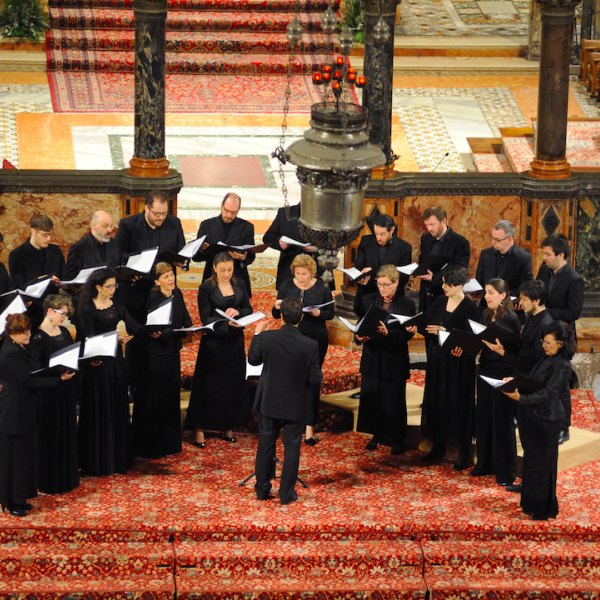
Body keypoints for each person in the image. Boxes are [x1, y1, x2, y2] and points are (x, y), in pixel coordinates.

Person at [249, 297, 322, 505]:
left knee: (265, 444)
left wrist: (257, 333)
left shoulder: (267, 338)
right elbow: (315, 379)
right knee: (292, 448)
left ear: (281, 316)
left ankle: (262, 490)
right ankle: (286, 493)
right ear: (300, 317)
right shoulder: (310, 345)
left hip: (268, 401)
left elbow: (253, 360)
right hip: (295, 403)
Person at [0, 314, 73, 517]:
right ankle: (10, 500)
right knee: (13, 459)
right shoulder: (10, 352)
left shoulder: (22, 346)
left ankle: (21, 497)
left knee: (25, 457)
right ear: (12, 333)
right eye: (23, 333)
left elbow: (36, 371)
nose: (28, 335)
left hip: (26, 408)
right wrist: (58, 379)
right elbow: (28, 381)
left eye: (28, 331)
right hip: (14, 411)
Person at [502, 321, 575, 521]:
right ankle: (531, 504)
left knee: (543, 466)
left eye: (548, 343)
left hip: (547, 420)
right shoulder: (546, 357)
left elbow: (549, 394)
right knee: (532, 463)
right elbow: (534, 382)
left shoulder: (562, 365)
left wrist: (521, 399)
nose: (544, 345)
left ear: (561, 344)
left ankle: (542, 509)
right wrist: (515, 383)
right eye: (543, 341)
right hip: (531, 416)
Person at [185, 252, 253, 447]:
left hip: (234, 343)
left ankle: (228, 426)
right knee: (209, 387)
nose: (226, 273)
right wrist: (227, 323)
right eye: (222, 270)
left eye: (230, 269)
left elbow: (248, 309)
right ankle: (200, 429)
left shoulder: (239, 283)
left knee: (231, 384)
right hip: (214, 344)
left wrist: (238, 312)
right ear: (214, 268)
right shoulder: (206, 287)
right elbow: (205, 317)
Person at [78, 267, 140, 476]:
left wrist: (149, 330)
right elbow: (89, 340)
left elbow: (133, 325)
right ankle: (99, 460)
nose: (113, 289)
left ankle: (117, 457)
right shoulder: (88, 309)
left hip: (115, 362)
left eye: (115, 285)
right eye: (109, 286)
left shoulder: (117, 304)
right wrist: (116, 339)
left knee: (116, 406)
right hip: (98, 366)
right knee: (100, 409)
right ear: (98, 287)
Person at [131, 262, 193, 459]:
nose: (171, 278)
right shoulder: (153, 299)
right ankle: (154, 445)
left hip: (172, 354)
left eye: (171, 275)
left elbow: (186, 321)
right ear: (157, 281)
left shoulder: (178, 294)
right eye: (165, 276)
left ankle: (170, 444)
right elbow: (156, 331)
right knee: (157, 399)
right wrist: (175, 333)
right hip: (156, 356)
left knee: (170, 398)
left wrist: (182, 332)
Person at [421, 265, 479, 469]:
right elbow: (427, 325)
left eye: (448, 283)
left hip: (458, 364)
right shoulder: (439, 301)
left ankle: (463, 450)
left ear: (460, 285)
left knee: (458, 402)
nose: (443, 286)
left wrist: (445, 330)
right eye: (444, 282)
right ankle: (437, 445)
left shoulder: (470, 308)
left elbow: (474, 339)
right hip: (438, 359)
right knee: (437, 399)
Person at [271, 254, 333, 445]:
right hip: (291, 340)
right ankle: (290, 423)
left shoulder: (322, 286)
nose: (301, 277)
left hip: (315, 339)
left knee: (311, 382)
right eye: (298, 273)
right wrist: (276, 306)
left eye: (304, 274)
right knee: (292, 381)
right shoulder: (287, 286)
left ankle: (309, 429)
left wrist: (318, 313)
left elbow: (330, 312)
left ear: (312, 272)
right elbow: (275, 314)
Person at [354, 264, 416, 455]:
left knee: (393, 399)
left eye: (386, 285)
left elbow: (407, 335)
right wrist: (358, 336)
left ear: (396, 283)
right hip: (373, 356)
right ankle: (376, 434)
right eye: (379, 285)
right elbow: (360, 324)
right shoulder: (369, 300)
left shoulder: (406, 304)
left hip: (393, 358)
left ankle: (397, 438)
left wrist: (390, 333)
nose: (382, 289)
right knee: (374, 397)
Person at [471, 279, 521, 486]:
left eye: (492, 293)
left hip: (502, 372)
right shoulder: (485, 315)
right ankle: (484, 464)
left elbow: (516, 351)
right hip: (485, 369)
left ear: (503, 295)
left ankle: (506, 472)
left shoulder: (511, 318)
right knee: (484, 418)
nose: (487, 296)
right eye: (486, 293)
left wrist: (499, 350)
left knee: (502, 422)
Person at [28, 293, 80, 495]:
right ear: (50, 311)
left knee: (66, 430)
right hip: (49, 394)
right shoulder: (37, 337)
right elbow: (36, 371)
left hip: (66, 389)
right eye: (62, 313)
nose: (65, 317)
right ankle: (50, 480)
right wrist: (58, 377)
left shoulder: (65, 332)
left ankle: (67, 477)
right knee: (51, 435)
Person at [536, 233, 583, 445]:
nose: (544, 258)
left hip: (561, 339)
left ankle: (564, 427)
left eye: (547, 254)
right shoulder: (543, 271)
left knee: (560, 385)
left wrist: (545, 311)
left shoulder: (574, 279)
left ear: (560, 255)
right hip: (541, 334)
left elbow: (573, 312)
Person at [115, 190, 185, 325]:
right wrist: (138, 261)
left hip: (163, 292)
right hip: (137, 291)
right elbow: (118, 253)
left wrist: (183, 261)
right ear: (146, 208)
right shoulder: (128, 225)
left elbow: (181, 250)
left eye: (164, 213)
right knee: (139, 336)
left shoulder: (174, 223)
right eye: (157, 214)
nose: (161, 218)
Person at [484, 280, 554, 379]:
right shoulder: (531, 317)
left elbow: (533, 361)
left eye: (524, 299)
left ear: (536, 301)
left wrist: (502, 352)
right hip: (519, 373)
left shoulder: (545, 325)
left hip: (529, 379)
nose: (520, 303)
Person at [8, 214, 67, 327]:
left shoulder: (55, 251)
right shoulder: (17, 255)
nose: (48, 239)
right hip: (30, 315)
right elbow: (19, 287)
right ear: (33, 231)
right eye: (44, 235)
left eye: (50, 234)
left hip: (54, 312)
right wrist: (41, 280)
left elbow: (65, 276)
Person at [193, 193, 256, 298]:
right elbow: (196, 257)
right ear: (221, 205)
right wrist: (201, 250)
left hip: (237, 277)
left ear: (238, 210)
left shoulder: (247, 227)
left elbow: (250, 256)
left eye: (233, 212)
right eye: (226, 211)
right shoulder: (206, 226)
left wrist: (243, 258)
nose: (229, 216)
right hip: (212, 277)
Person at [352, 213, 412, 314]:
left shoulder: (404, 247)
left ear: (392, 230)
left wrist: (374, 272)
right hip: (367, 294)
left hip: (392, 301)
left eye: (382, 234)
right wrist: (361, 279)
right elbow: (359, 266)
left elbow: (403, 278)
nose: (378, 238)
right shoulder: (366, 241)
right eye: (376, 234)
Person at [417, 206, 470, 313]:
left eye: (432, 224)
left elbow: (460, 274)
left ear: (443, 221)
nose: (429, 229)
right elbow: (424, 261)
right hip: (425, 297)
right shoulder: (426, 239)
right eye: (427, 225)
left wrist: (435, 278)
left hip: (445, 298)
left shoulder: (459, 242)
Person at [263, 203, 318, 290]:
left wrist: (318, 249)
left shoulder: (325, 214)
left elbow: (336, 241)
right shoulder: (284, 213)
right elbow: (268, 237)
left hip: (317, 270)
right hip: (288, 270)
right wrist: (279, 242)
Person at [475, 220, 532, 299]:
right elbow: (479, 279)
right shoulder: (486, 254)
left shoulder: (523, 258)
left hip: (510, 304)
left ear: (509, 239)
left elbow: (525, 286)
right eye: (492, 238)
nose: (493, 242)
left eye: (497, 240)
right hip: (486, 304)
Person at [66, 210, 123, 279]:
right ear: (94, 226)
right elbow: (72, 278)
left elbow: (120, 268)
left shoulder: (114, 244)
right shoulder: (79, 248)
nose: (109, 230)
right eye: (105, 226)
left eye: (111, 226)